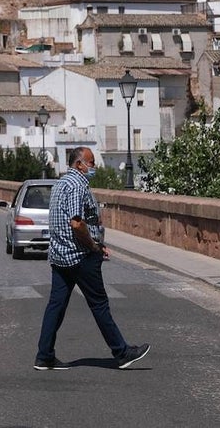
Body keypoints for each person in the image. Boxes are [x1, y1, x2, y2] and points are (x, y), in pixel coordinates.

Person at [34, 146, 150, 370]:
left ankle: (44, 355)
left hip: (60, 256)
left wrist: (98, 244)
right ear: (79, 164)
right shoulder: (78, 185)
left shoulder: (60, 184)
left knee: (55, 306)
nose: (93, 166)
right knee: (99, 305)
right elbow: (77, 224)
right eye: (91, 162)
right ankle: (122, 352)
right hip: (80, 256)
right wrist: (94, 247)